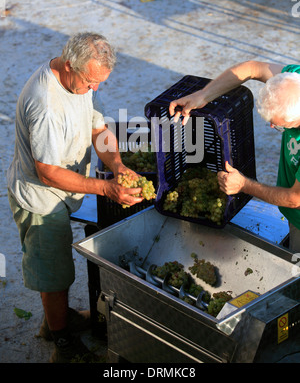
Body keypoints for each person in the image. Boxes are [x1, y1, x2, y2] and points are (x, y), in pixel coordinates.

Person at [7, 32, 144, 363]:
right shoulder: (45, 103)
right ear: (69, 64)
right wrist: (106, 188)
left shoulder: (78, 81)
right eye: (91, 81)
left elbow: (97, 129)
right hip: (42, 200)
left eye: (99, 83)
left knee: (59, 269)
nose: (94, 89)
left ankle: (57, 321)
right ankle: (62, 345)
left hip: (63, 193)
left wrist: (117, 165)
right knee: (54, 275)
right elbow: (48, 172)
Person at [169, 60, 300, 253]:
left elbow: (294, 199)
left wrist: (244, 185)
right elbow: (252, 68)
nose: (272, 127)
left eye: (280, 125)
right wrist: (203, 95)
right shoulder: (292, 81)